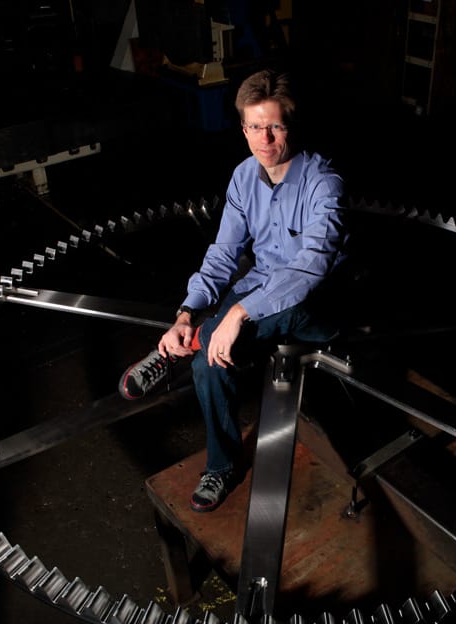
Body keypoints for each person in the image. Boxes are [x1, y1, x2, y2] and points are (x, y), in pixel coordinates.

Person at [118, 68, 350, 513]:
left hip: (317, 303)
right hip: (260, 287)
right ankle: (221, 465)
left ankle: (173, 353)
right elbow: (224, 254)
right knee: (210, 360)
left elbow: (308, 269)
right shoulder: (244, 177)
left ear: (291, 126)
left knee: (228, 331)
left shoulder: (324, 184)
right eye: (254, 127)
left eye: (275, 126)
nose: (265, 138)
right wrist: (187, 313)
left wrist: (236, 314)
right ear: (242, 128)